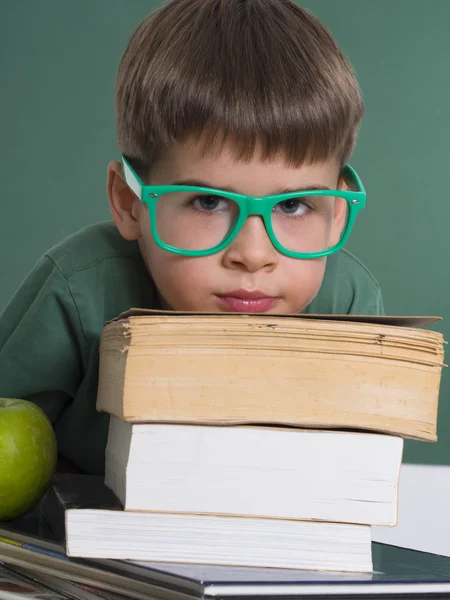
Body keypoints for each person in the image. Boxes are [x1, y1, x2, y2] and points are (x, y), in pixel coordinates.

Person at [0, 0, 383, 475]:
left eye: (292, 205)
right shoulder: (78, 291)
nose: (253, 255)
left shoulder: (348, 303)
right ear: (129, 203)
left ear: (338, 213)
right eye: (208, 202)